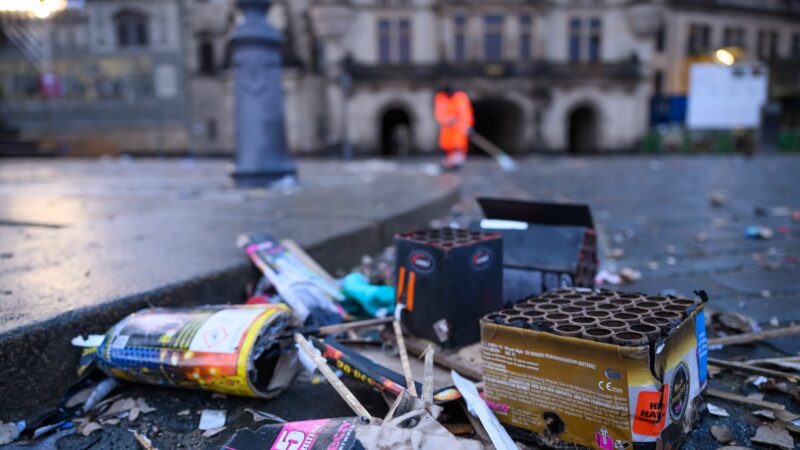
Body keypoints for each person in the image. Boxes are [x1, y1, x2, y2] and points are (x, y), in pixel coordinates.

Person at [434, 86, 474, 169]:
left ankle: (456, 162)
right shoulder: (441, 97)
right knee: (446, 145)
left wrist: (468, 125)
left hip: (459, 127)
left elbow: (465, 113)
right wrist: (447, 119)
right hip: (447, 128)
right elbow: (439, 112)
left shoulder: (461, 97)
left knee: (458, 145)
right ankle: (448, 162)